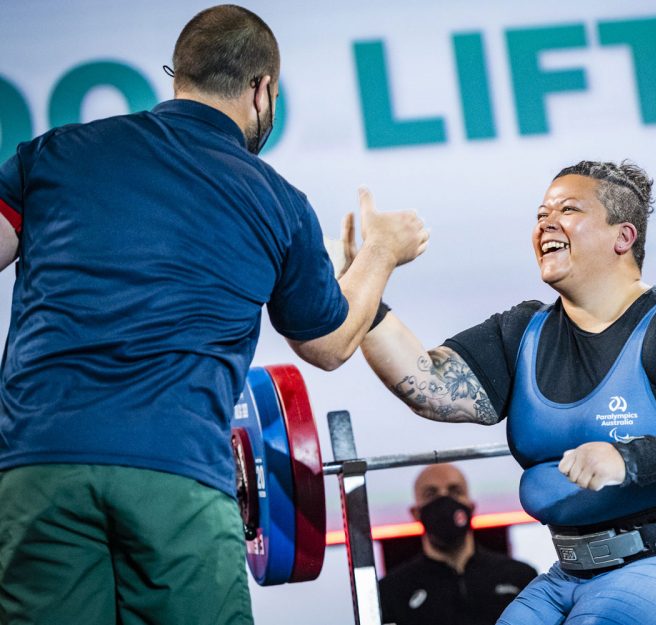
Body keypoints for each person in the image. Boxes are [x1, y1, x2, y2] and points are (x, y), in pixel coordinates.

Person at [0, 5, 427, 625]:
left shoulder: (55, 153)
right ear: (263, 90)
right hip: (175, 477)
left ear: (180, 75)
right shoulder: (275, 199)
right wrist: (382, 253)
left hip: (39, 467)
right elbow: (330, 344)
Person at [354, 160, 656, 624]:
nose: (546, 224)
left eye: (568, 210)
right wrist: (364, 274)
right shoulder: (521, 333)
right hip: (574, 574)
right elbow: (428, 386)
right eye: (541, 214)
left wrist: (631, 458)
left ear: (623, 237)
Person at [378, 463, 538, 625]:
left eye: (455, 491)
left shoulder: (520, 576)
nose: (444, 500)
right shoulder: (392, 591)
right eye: (431, 494)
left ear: (471, 507)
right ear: (415, 513)